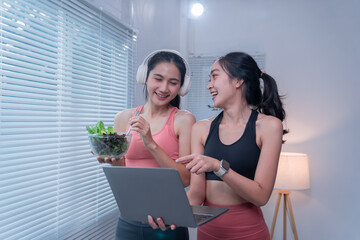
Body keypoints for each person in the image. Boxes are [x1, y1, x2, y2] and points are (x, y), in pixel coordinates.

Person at [175, 52, 287, 240]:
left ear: (238, 81)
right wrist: (168, 213)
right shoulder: (201, 129)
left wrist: (218, 167)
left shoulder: (268, 126)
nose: (209, 85)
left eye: (215, 76)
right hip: (208, 233)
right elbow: (196, 194)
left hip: (250, 233)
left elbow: (261, 196)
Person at [97, 49, 195, 240]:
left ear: (181, 87)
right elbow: (124, 172)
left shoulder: (184, 120)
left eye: (173, 82)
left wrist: (150, 142)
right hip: (128, 219)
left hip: (169, 223)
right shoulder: (124, 118)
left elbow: (185, 179)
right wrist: (112, 159)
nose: (164, 88)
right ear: (145, 77)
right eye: (158, 78)